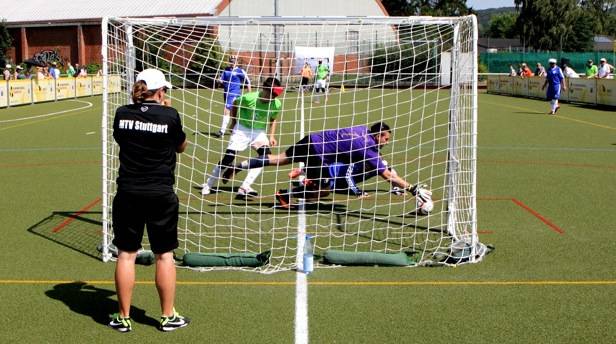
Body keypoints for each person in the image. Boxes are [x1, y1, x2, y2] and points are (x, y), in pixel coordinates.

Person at [109, 68, 190, 333]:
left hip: (128, 191)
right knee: (164, 255)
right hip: (159, 192)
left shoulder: (122, 114)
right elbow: (181, 145)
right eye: (164, 89)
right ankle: (167, 316)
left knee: (126, 254)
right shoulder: (169, 115)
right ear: (159, 91)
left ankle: (123, 317)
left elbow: (122, 138)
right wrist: (164, 111)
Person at [221, 122, 430, 208]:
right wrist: (412, 188)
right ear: (378, 135)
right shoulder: (368, 148)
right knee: (324, 192)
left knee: (278, 158)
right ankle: (286, 195)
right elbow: (388, 176)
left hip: (311, 139)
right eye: (385, 138)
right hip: (319, 154)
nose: (387, 141)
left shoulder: (360, 129)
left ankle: (242, 164)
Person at [201, 77, 283, 199]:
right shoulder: (249, 98)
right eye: (272, 95)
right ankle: (208, 184)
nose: (274, 98)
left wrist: (271, 136)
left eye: (276, 96)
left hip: (258, 132)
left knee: (266, 158)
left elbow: (273, 119)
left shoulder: (276, 103)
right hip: (242, 129)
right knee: (228, 158)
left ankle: (244, 187)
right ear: (264, 89)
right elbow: (235, 104)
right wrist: (234, 122)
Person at [216, 57, 251, 137]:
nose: (232, 63)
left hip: (234, 94)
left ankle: (222, 131)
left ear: (237, 62)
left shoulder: (240, 71)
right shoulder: (226, 70)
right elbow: (222, 80)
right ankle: (235, 129)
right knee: (232, 113)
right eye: (231, 61)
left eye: (234, 61)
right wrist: (219, 80)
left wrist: (249, 94)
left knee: (226, 110)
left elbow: (248, 82)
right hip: (226, 94)